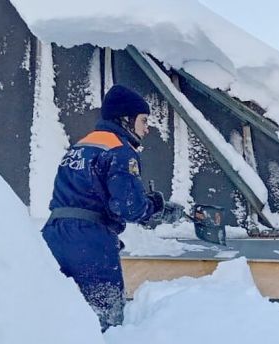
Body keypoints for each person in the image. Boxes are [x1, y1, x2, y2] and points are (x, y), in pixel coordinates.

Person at [42, 84, 185, 331]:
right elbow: (129, 207)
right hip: (90, 241)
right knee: (106, 318)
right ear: (126, 119)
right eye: (143, 120)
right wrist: (156, 206)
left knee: (55, 316)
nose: (147, 128)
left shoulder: (81, 146)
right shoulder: (121, 150)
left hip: (53, 235)